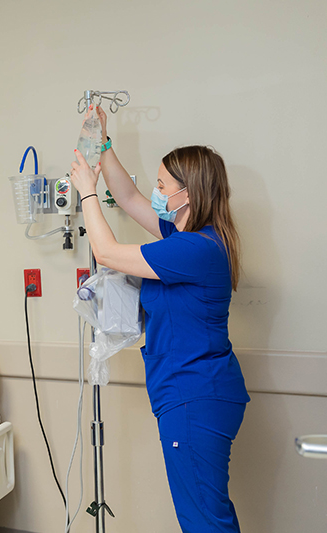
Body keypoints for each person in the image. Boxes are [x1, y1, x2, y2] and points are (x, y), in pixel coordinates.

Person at [68, 106, 251, 532]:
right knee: (206, 511)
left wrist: (87, 193)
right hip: (195, 392)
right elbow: (130, 199)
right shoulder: (188, 239)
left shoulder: (196, 250)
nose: (154, 190)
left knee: (204, 519)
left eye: (162, 184)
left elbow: (109, 253)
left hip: (193, 395)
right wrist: (103, 144)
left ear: (187, 194)